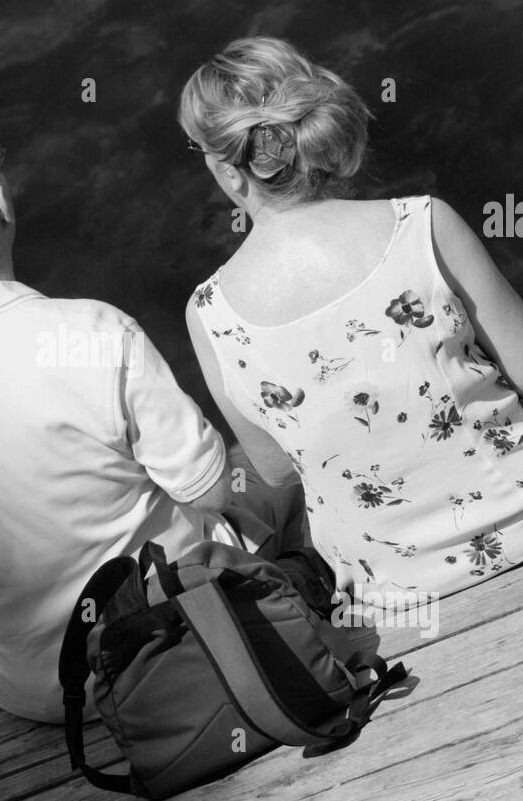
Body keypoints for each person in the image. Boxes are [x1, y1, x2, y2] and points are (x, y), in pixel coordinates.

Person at [0, 129, 299, 722]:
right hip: (166, 642)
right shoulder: (93, 334)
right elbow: (210, 492)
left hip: (28, 689)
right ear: (4, 203)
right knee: (271, 474)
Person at [181, 36, 523, 620]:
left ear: (229, 172)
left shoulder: (212, 314)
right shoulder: (424, 225)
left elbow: (274, 468)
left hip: (394, 596)